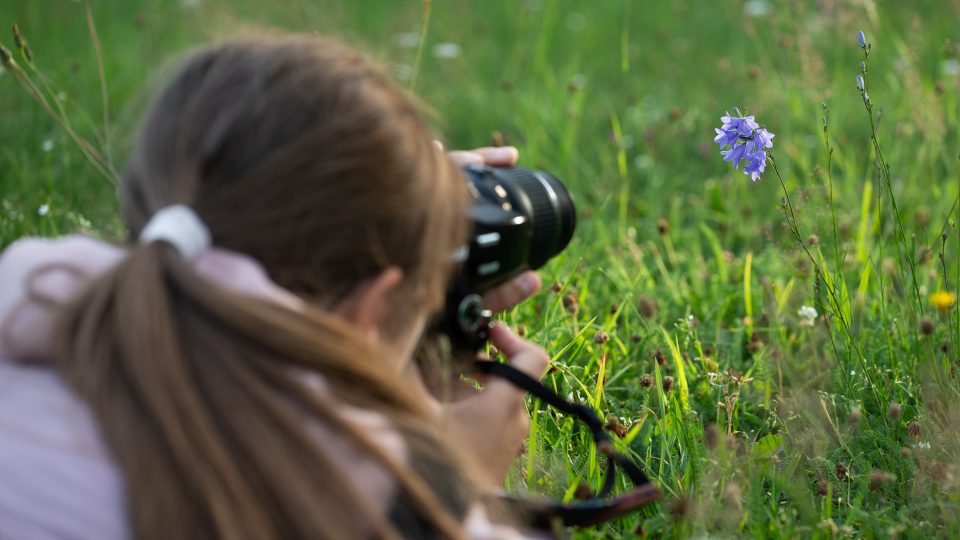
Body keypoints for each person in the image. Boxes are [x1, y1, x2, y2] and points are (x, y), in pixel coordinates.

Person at [0, 34, 551, 539]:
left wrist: (396, 209)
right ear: (370, 308)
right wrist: (456, 484)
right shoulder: (353, 494)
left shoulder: (31, 296)